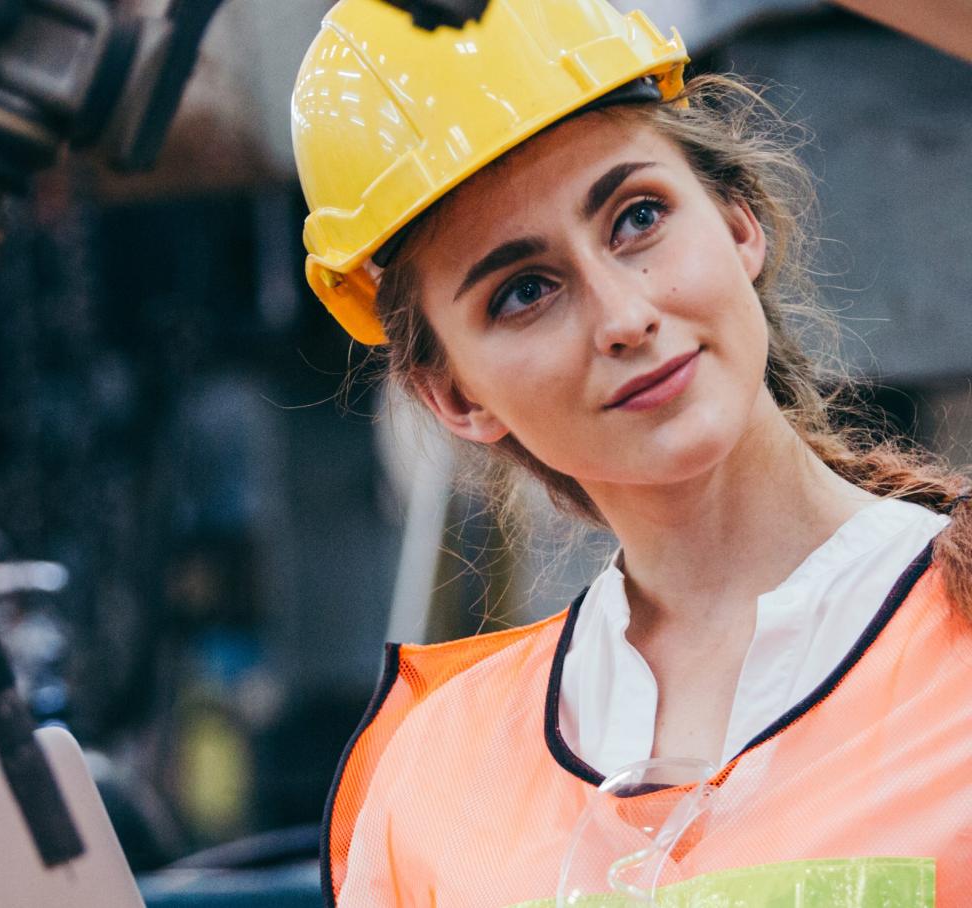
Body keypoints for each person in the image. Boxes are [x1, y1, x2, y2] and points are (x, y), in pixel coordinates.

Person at [291, 1, 972, 904]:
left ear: (737, 224)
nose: (624, 317)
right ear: (454, 395)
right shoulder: (433, 782)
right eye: (526, 290)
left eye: (637, 217)